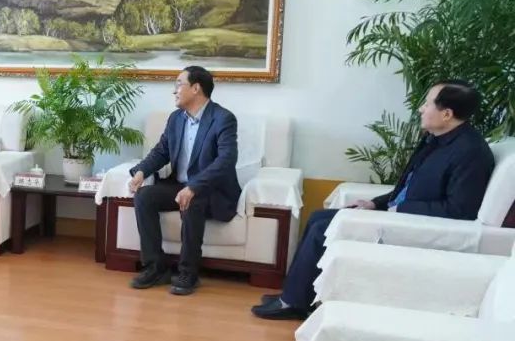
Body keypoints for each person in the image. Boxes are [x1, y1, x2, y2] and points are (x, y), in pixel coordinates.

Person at [252, 80, 495, 320]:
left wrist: (399, 209)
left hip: (413, 225)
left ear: (447, 114)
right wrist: (376, 203)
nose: (421, 108)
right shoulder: (436, 139)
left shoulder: (470, 152)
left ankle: (293, 302)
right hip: (399, 213)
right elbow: (407, 187)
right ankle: (295, 296)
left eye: (428, 103)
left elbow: (459, 210)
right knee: (317, 217)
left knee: (321, 229)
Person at [127, 66, 241, 296]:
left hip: (211, 190)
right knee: (144, 196)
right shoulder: (176, 118)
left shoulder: (223, 118)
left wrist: (194, 187)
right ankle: (155, 267)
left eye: (179, 84)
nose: (174, 90)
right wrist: (141, 172)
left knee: (192, 200)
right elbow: (162, 151)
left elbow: (226, 160)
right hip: (179, 185)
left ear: (196, 88)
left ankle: (189, 272)